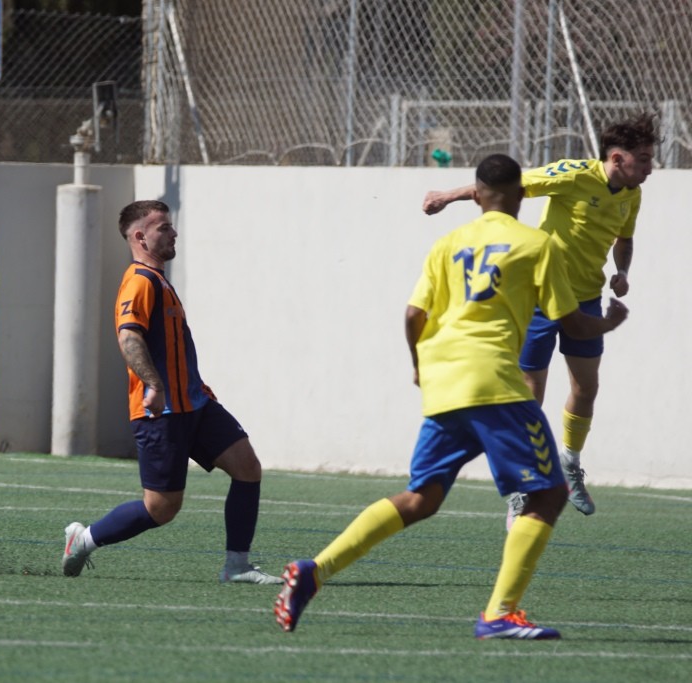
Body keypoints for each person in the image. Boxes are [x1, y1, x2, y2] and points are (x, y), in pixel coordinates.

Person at [274, 154, 629, 639]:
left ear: (476, 195)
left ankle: (315, 570)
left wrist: (419, 366)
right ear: (521, 196)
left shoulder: (446, 243)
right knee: (549, 493)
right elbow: (570, 322)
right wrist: (608, 322)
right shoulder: (536, 244)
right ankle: (501, 613)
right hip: (496, 383)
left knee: (421, 498)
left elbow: (412, 315)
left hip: (444, 383)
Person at [422, 113, 657, 525]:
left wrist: (622, 271)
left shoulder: (631, 194)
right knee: (531, 393)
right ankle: (521, 485)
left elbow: (625, 238)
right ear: (617, 158)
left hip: (584, 299)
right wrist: (447, 195)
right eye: (644, 159)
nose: (650, 168)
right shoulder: (573, 175)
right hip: (540, 297)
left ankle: (570, 462)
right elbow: (510, 186)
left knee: (586, 388)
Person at [61, 200, 281, 585]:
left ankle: (237, 566)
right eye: (163, 227)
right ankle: (85, 539)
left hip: (196, 405)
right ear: (140, 237)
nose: (173, 233)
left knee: (248, 468)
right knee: (161, 508)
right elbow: (129, 338)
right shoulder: (140, 281)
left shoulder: (159, 280)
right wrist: (154, 385)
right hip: (160, 412)